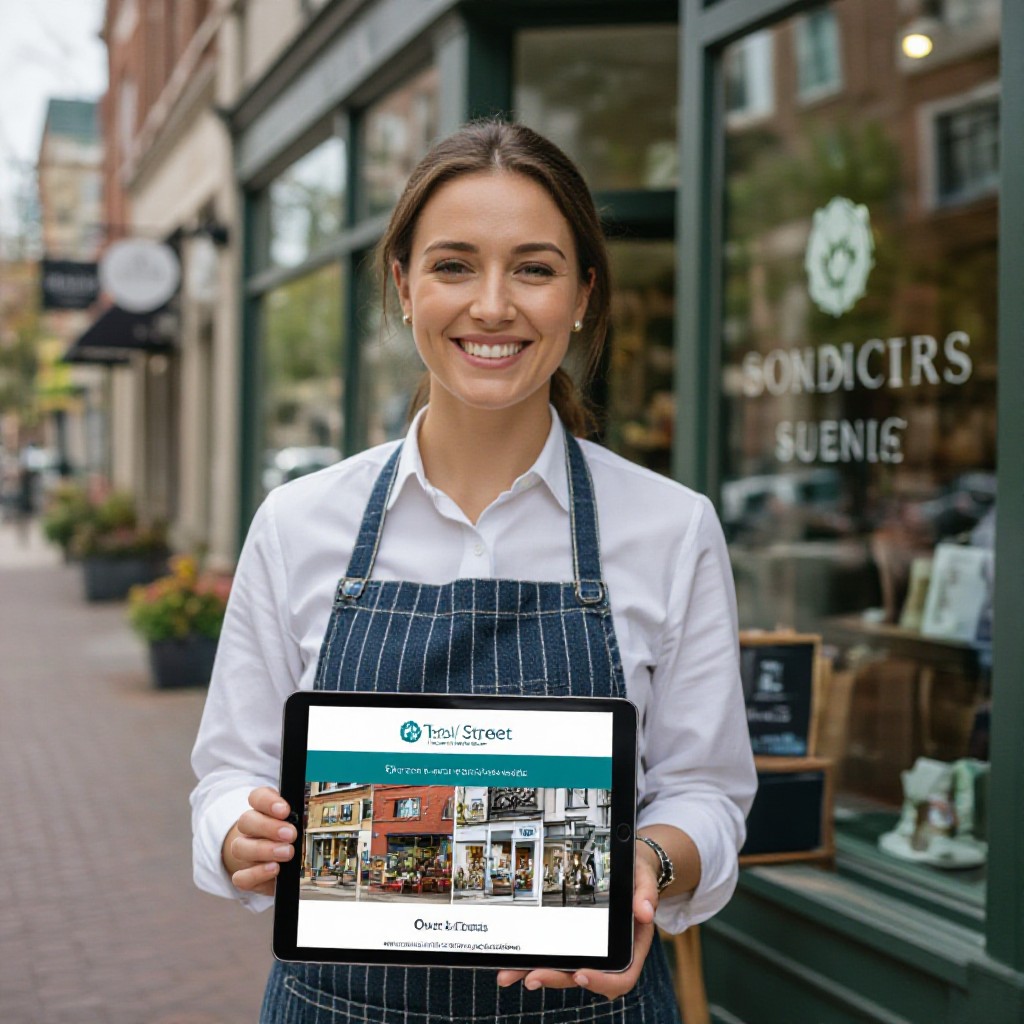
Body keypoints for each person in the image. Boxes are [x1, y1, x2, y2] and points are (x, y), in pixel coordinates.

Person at [190, 119, 756, 1023]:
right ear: (404, 287)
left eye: (534, 269)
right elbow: (227, 773)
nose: (492, 306)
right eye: (454, 266)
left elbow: (707, 792)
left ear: (582, 295)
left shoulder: (670, 528)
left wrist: (645, 871)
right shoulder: (297, 524)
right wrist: (238, 832)